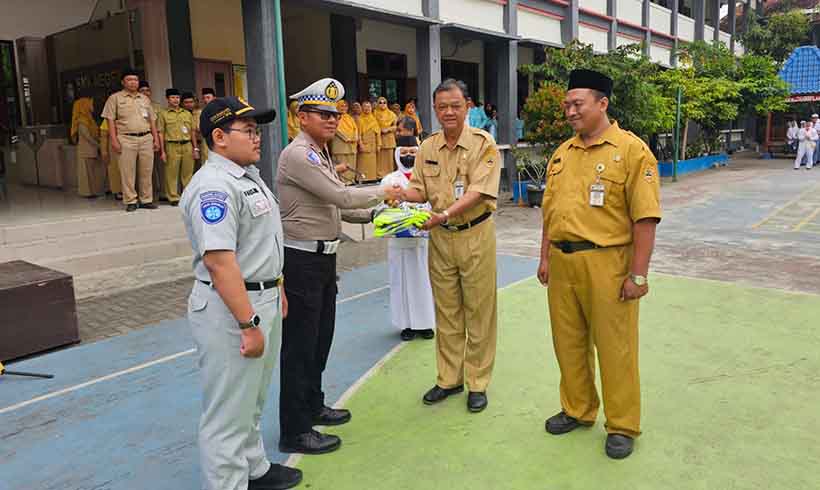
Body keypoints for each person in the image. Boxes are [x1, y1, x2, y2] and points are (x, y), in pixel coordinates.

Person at [537, 69, 661, 460]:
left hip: (608, 262)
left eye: (578, 104)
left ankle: (622, 424)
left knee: (615, 348)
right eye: (567, 105)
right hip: (562, 262)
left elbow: (645, 218)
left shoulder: (631, 150)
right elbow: (549, 212)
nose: (570, 111)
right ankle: (578, 408)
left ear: (602, 103)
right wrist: (544, 257)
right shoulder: (562, 153)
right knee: (568, 343)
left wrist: (638, 274)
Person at [180, 95, 302, 490]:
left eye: (257, 131)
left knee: (252, 398)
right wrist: (248, 322)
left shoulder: (246, 176)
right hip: (231, 310)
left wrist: (277, 287)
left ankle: (254, 469)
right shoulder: (213, 188)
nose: (257, 139)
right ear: (218, 136)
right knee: (227, 412)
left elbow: (260, 243)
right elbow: (219, 262)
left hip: (260, 298)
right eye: (247, 131)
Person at [276, 78, 402, 455]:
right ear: (302, 117)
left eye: (335, 114)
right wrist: (386, 190)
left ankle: (313, 405)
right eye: (322, 113)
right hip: (301, 261)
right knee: (299, 346)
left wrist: (379, 212)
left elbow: (341, 206)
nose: (332, 120)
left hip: (323, 258)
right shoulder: (299, 155)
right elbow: (340, 195)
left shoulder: (320, 153)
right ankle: (294, 428)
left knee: (320, 338)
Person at [399, 79, 501, 414]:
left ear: (467, 106)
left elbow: (477, 192)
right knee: (446, 310)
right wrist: (395, 194)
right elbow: (418, 190)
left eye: (455, 106)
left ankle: (478, 383)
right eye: (442, 107)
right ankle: (448, 378)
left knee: (479, 311)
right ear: (435, 109)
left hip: (474, 234)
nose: (448, 112)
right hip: (440, 239)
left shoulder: (484, 144)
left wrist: (442, 215)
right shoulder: (427, 147)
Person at [381, 134, 436, 341]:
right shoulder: (389, 180)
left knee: (425, 282)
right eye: (403, 153)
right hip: (400, 241)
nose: (408, 157)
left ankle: (426, 323)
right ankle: (406, 325)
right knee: (401, 283)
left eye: (412, 153)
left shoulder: (427, 177)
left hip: (424, 241)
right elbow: (381, 208)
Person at [101, 69, 160, 212]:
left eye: (135, 80)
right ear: (123, 82)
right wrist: (114, 140)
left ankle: (146, 199)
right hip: (126, 138)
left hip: (146, 137)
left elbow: (152, 121)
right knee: (128, 171)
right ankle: (131, 200)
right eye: (129, 80)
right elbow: (110, 121)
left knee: (146, 170)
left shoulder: (144, 99)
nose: (133, 82)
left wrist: (156, 139)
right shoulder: (115, 98)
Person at [158, 88, 198, 205]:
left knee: (188, 173)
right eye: (172, 97)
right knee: (171, 173)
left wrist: (195, 148)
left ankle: (187, 196)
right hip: (172, 145)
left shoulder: (186, 113)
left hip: (187, 145)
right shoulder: (163, 114)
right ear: (167, 99)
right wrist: (163, 151)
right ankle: (174, 197)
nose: (175, 100)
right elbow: (161, 132)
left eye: (177, 98)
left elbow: (192, 132)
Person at [71, 96, 105, 197]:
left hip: (91, 149)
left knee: (92, 172)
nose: (92, 106)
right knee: (87, 172)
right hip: (86, 150)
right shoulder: (82, 120)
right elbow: (87, 136)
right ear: (84, 106)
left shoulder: (89, 118)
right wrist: (98, 144)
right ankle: (89, 192)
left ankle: (93, 191)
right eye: (90, 104)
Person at [138, 80, 166, 202]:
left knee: (161, 168)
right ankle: (150, 195)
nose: (145, 93)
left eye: (147, 90)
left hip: (156, 139)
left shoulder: (157, 107)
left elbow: (160, 126)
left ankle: (163, 193)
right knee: (146, 170)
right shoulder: (135, 106)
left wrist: (159, 142)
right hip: (142, 140)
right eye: (142, 90)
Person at [331, 100, 358, 184]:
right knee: (341, 161)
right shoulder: (334, 117)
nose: (344, 108)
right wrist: (346, 138)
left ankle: (350, 180)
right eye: (342, 106)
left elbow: (355, 128)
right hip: (340, 144)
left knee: (351, 163)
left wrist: (355, 137)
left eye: (345, 106)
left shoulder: (349, 117)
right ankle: (341, 181)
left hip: (351, 144)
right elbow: (336, 129)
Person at [356, 100, 380, 182]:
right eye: (365, 107)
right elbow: (358, 134)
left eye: (369, 107)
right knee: (363, 163)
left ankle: (372, 178)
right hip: (364, 143)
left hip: (373, 144)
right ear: (362, 108)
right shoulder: (359, 119)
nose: (367, 109)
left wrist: (379, 144)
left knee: (372, 164)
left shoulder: (374, 119)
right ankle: (362, 178)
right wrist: (360, 144)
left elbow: (378, 133)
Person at [99, 118, 122, 199]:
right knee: (114, 170)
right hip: (113, 148)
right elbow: (104, 136)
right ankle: (117, 191)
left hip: (126, 146)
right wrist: (104, 151)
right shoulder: (108, 119)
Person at [375, 96, 397, 178]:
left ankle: (390, 175)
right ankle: (380, 175)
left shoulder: (392, 114)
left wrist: (388, 129)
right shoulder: (374, 113)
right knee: (380, 158)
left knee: (389, 158)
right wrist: (379, 129)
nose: (382, 104)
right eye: (380, 102)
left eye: (384, 102)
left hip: (389, 138)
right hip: (379, 138)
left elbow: (395, 127)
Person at [195, 88, 216, 164]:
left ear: (214, 98)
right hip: (206, 141)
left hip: (219, 139)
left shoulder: (220, 110)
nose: (206, 100)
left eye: (208, 97)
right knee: (206, 161)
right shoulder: (200, 112)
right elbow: (198, 128)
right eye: (204, 98)